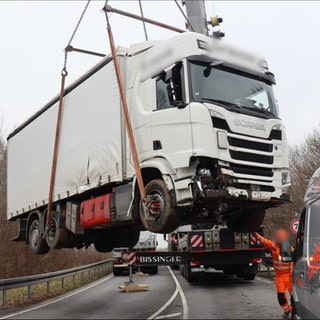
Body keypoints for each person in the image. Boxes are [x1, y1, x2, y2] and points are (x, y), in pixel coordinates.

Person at [253, 229, 293, 318]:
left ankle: (294, 311)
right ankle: (287, 310)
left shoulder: (290, 248)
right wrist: (256, 235)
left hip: (289, 276)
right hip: (279, 276)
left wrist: (292, 274)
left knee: (294, 296)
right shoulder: (273, 245)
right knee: (281, 297)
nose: (279, 238)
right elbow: (265, 241)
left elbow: (292, 263)